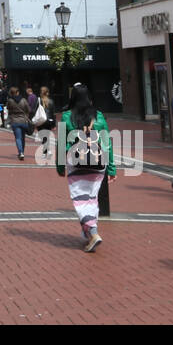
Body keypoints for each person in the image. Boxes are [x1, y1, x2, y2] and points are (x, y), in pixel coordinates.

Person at [55, 84, 116, 251]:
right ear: (89, 98)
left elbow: (61, 143)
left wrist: (60, 167)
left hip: (76, 163)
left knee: (80, 200)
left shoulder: (67, 117)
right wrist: (111, 169)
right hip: (98, 161)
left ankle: (93, 232)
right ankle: (88, 232)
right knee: (91, 198)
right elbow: (107, 143)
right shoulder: (99, 116)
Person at [4, 86, 33, 160]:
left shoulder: (10, 101)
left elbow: (8, 108)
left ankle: (21, 152)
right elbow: (29, 109)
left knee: (18, 138)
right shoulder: (23, 100)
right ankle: (22, 152)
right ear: (18, 92)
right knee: (23, 138)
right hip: (23, 121)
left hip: (15, 121)